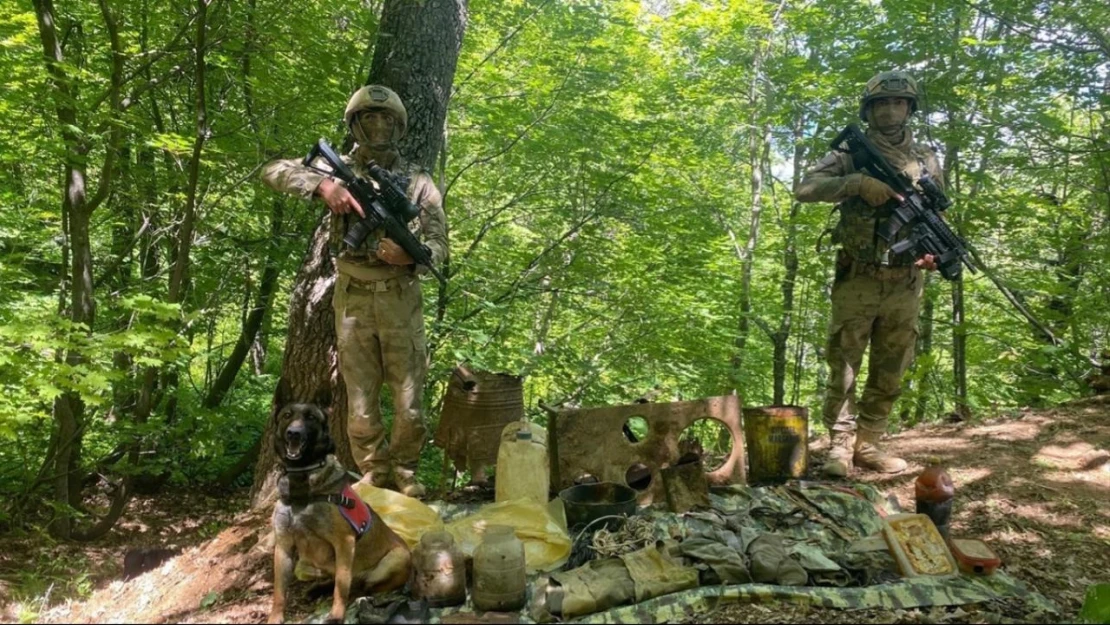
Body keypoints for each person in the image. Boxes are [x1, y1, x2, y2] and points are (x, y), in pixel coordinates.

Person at [261, 85, 448, 498]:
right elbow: (273, 170)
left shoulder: (417, 181)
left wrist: (409, 257)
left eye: (385, 120)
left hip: (400, 294)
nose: (377, 127)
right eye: (369, 119)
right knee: (360, 400)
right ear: (355, 125)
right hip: (354, 295)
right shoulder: (335, 169)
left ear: (398, 127)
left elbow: (438, 244)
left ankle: (405, 472)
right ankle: (374, 473)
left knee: (409, 399)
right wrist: (321, 187)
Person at [794, 71, 942, 477]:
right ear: (869, 110)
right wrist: (856, 183)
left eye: (899, 103)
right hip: (858, 277)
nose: (891, 111)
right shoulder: (850, 156)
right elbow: (805, 189)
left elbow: (935, 215)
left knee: (891, 365)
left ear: (910, 109)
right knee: (844, 363)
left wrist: (930, 254)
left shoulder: (926, 159)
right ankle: (840, 447)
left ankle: (870, 443)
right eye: (882, 104)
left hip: (905, 282)